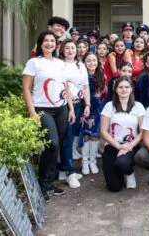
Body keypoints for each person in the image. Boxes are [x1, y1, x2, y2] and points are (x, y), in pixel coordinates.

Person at [22, 31, 75, 200]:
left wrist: (71, 108)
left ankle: (50, 183)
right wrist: (32, 113)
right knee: (51, 144)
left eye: (53, 41)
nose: (50, 43)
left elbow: (65, 87)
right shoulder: (33, 63)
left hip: (61, 109)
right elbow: (26, 89)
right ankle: (42, 183)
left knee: (57, 146)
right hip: (42, 109)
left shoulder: (60, 64)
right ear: (40, 43)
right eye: (46, 40)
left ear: (56, 44)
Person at [100, 77, 145, 192]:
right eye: (120, 87)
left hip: (132, 145)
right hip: (112, 144)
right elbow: (103, 131)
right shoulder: (109, 106)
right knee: (114, 187)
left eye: (126, 87)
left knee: (122, 163)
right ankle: (118, 172)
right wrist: (119, 146)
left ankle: (129, 172)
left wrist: (130, 145)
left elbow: (143, 131)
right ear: (115, 89)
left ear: (131, 89)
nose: (123, 90)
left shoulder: (138, 106)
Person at [59, 39, 90, 188]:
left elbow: (85, 87)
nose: (71, 50)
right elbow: (64, 88)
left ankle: (64, 169)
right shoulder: (59, 65)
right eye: (67, 48)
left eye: (73, 48)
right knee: (67, 138)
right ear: (62, 50)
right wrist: (71, 108)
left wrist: (87, 104)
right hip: (65, 105)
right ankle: (69, 172)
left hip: (79, 105)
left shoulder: (81, 66)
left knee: (71, 138)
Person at [81, 52, 105, 175]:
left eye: (94, 60)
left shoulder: (101, 75)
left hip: (96, 109)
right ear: (84, 62)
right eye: (89, 60)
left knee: (95, 136)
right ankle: (84, 163)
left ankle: (93, 162)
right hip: (84, 108)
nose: (92, 63)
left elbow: (100, 95)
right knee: (86, 135)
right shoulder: (81, 75)